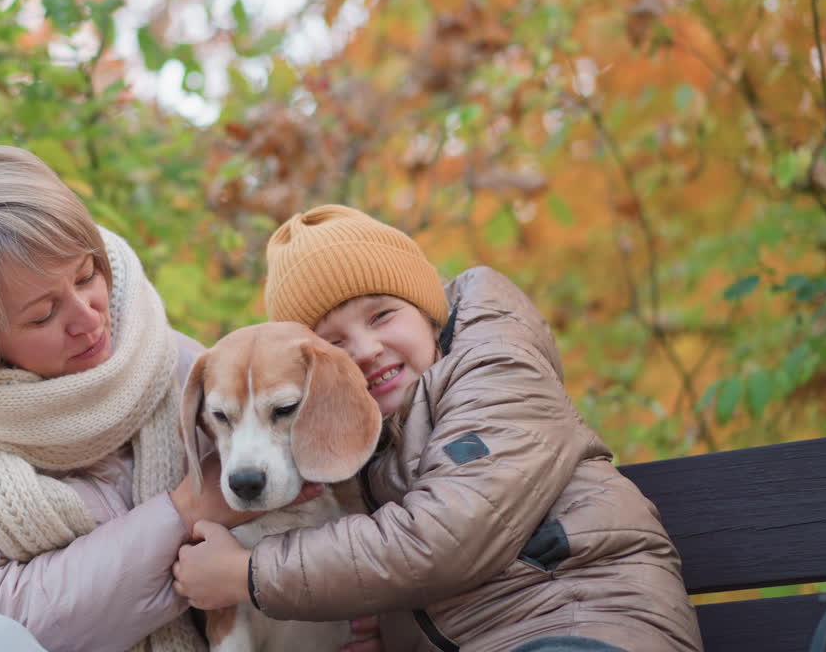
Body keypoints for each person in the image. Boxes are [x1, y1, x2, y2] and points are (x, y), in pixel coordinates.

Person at [0, 146, 305, 652]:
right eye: (42, 315)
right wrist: (183, 514)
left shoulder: (173, 365)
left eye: (86, 276)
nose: (89, 317)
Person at [172, 204, 705, 652]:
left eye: (382, 315)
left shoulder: (495, 369)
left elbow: (441, 541)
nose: (365, 349)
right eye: (334, 341)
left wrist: (245, 574)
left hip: (582, 624)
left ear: (430, 310)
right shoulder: (366, 437)